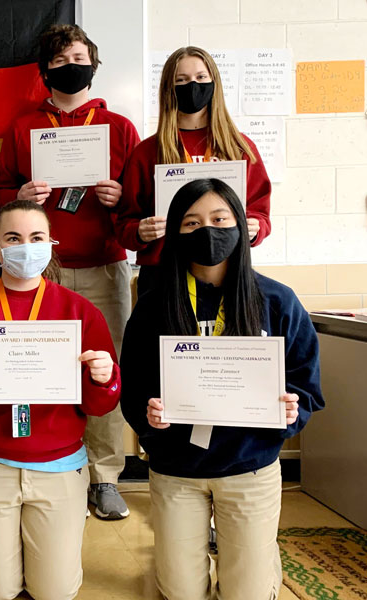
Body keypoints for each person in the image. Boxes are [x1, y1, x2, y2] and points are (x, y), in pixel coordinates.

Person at [120, 178, 323, 600]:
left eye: (219, 219)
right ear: (175, 232)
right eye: (191, 223)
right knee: (181, 592)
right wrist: (148, 414)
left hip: (248, 466)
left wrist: (292, 409)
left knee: (245, 593)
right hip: (178, 470)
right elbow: (133, 382)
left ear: (239, 224)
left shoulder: (276, 300)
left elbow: (306, 382)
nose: (207, 231)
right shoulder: (154, 303)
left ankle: (259, 561)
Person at [0, 200, 120, 600]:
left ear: (52, 243)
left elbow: (99, 406)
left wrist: (104, 379)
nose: (25, 246)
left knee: (55, 592)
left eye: (36, 238)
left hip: (59, 468)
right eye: (13, 238)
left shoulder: (81, 313)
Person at [0, 23, 140, 520]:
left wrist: (120, 198)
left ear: (93, 65)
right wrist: (20, 198)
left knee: (104, 373)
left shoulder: (118, 127)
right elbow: (0, 192)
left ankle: (104, 477)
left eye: (78, 57)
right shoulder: (23, 126)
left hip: (103, 266)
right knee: (36, 369)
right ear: (45, 71)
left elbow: (141, 206)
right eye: (59, 61)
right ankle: (47, 463)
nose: (69, 66)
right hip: (39, 272)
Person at [116, 46, 272, 296]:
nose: (192, 85)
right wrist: (140, 232)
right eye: (181, 80)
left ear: (214, 83)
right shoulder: (147, 151)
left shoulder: (238, 146)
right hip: (163, 272)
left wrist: (255, 228)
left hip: (225, 269)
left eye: (200, 78)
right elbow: (125, 224)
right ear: (169, 88)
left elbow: (260, 212)